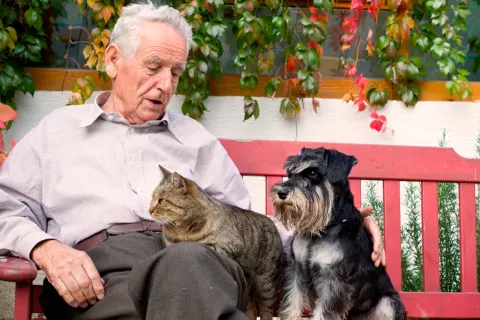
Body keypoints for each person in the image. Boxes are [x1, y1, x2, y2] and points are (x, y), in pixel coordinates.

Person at [0, 2, 385, 319]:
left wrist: (341, 223)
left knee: (187, 263)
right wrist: (45, 249)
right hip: (102, 279)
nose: (166, 85)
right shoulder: (57, 132)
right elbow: (5, 209)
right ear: (113, 60)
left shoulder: (195, 140)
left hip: (206, 267)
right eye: (154, 67)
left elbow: (253, 229)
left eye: (176, 73)